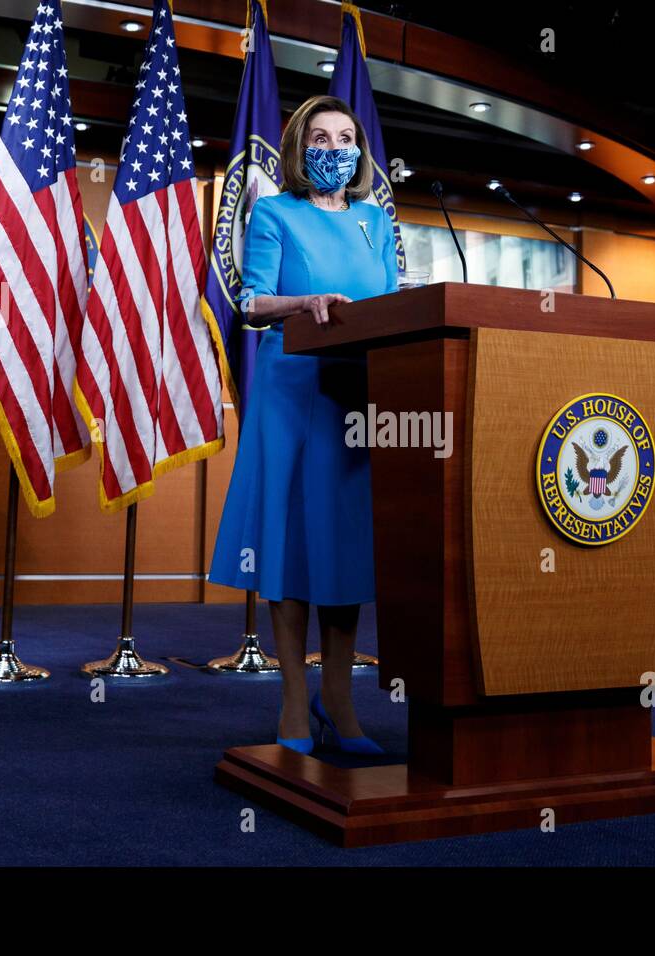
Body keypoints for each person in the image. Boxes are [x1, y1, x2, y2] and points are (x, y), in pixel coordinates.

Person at [208, 95, 398, 755]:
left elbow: (393, 306)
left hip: (356, 397)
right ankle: (294, 698)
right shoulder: (273, 211)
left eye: (346, 137)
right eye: (321, 136)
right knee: (288, 549)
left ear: (360, 152)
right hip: (292, 391)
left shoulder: (377, 221)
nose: (335, 147)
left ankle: (339, 700)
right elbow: (252, 302)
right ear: (298, 147)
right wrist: (308, 301)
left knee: (344, 549)